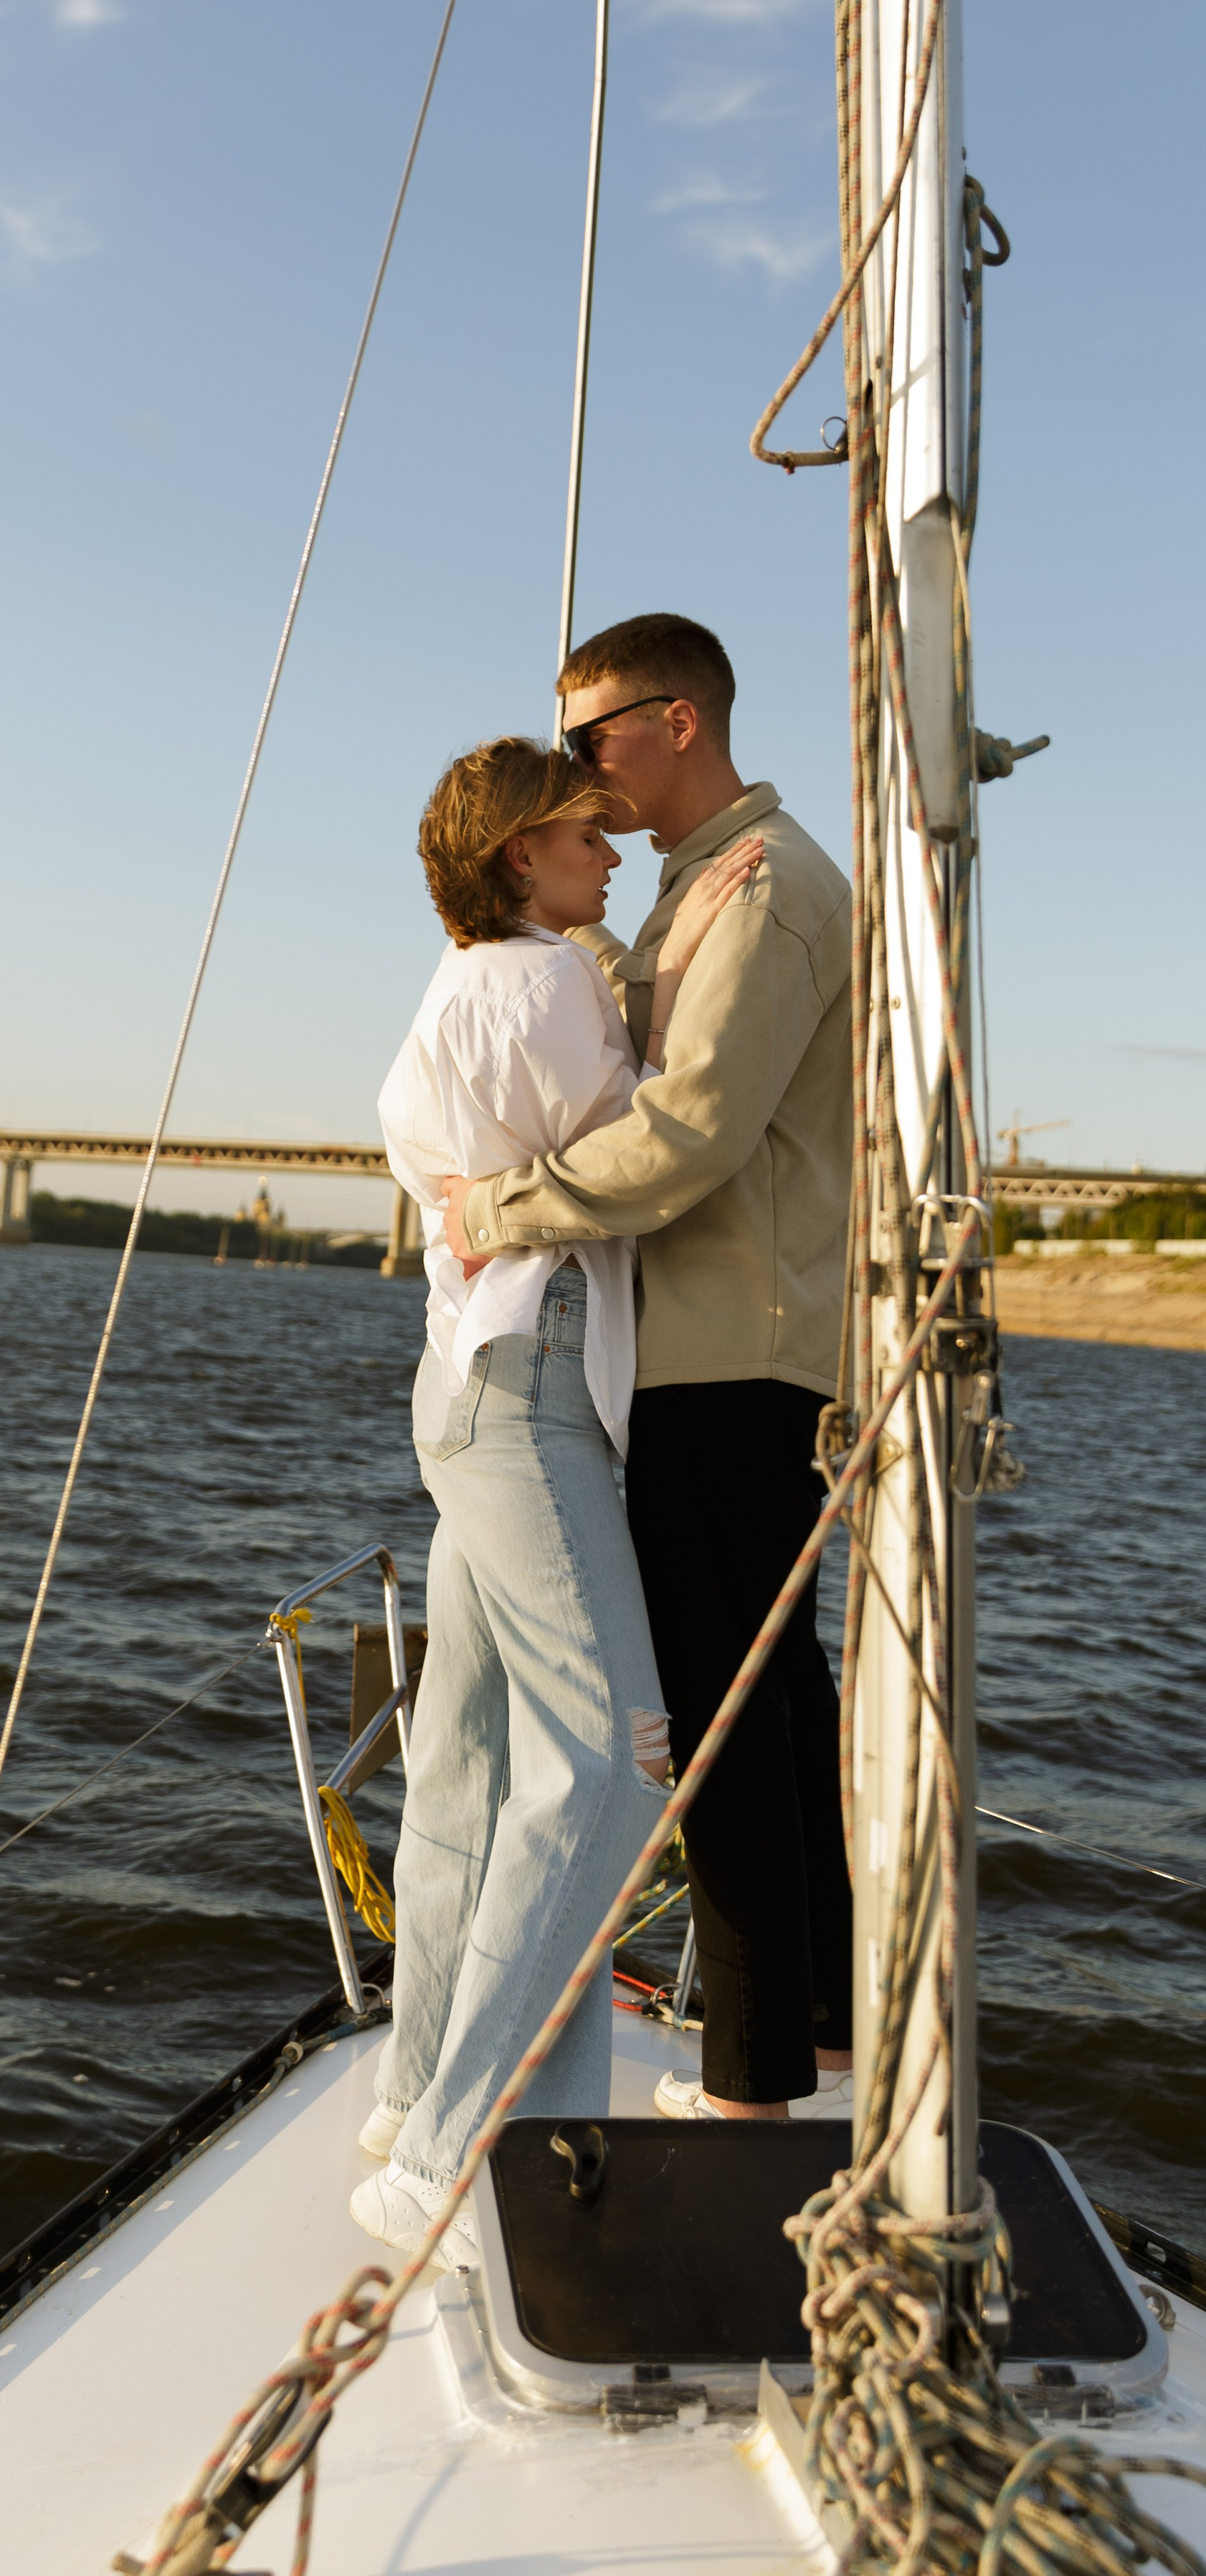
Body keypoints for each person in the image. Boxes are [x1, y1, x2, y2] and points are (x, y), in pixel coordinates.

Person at [441, 613, 854, 2125]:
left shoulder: (766, 891)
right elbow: (660, 1050)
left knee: (719, 1710)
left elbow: (686, 1132)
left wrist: (488, 1209)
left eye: (591, 734)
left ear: (676, 722)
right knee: (778, 1699)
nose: (576, 767)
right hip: (727, 1350)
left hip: (724, 1361)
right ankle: (819, 2031)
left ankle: (749, 2086)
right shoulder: (702, 888)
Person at [356, 735, 761, 2266]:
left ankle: (410, 2105)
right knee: (609, 1762)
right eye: (580, 835)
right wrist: (699, 941)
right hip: (529, 1401)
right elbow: (649, 1145)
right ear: (516, 857)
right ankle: (456, 2158)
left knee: (465, 1762)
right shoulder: (534, 983)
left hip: (468, 1387)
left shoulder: (472, 987)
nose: (607, 853)